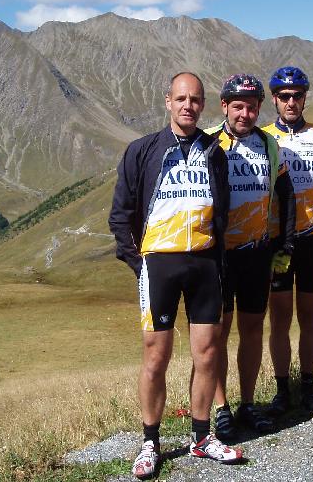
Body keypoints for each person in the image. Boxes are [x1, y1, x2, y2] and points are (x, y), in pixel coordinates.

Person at [108, 72, 243, 480]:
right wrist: (140, 262)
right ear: (167, 100)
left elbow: (222, 211)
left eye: (196, 100)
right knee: (156, 356)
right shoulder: (142, 150)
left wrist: (218, 260)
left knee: (207, 353)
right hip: (159, 265)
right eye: (181, 98)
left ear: (203, 105)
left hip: (204, 265)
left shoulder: (214, 151)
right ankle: (150, 441)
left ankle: (201, 437)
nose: (189, 105)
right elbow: (120, 215)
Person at [204, 74, 296, 440]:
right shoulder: (209, 143)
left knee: (253, 332)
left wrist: (284, 245)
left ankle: (246, 403)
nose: (245, 113)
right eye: (237, 106)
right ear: (224, 106)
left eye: (251, 106)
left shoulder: (269, 145)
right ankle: (220, 407)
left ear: (260, 108)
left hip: (257, 254)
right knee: (219, 334)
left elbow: (286, 196)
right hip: (220, 257)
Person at [262, 66, 313, 414]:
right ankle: (283, 391)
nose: (291, 102)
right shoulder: (263, 138)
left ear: (305, 97)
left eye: (297, 96)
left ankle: (308, 388)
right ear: (275, 99)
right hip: (278, 243)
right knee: (279, 319)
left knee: (309, 318)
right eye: (284, 97)